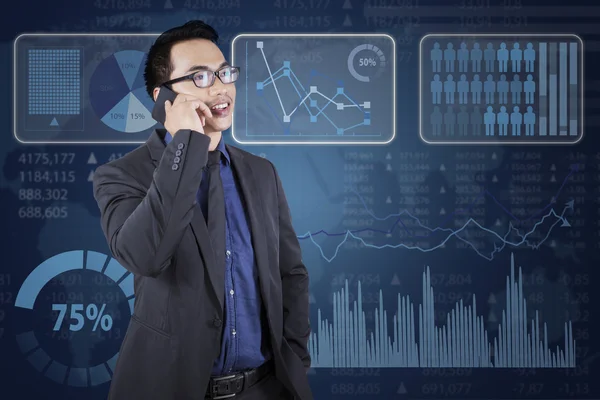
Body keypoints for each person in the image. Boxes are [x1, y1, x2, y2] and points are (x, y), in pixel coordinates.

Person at [92, 20, 312, 400]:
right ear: (163, 99)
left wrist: (294, 361)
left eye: (224, 73)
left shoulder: (261, 173)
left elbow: (289, 274)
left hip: (264, 388)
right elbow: (146, 256)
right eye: (200, 77)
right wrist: (186, 144)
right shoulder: (121, 176)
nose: (221, 87)